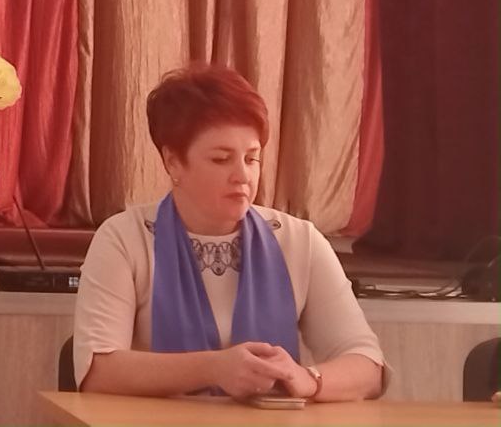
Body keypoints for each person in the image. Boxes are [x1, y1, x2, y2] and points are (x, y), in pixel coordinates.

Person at [72, 64, 387, 401]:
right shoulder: (124, 238)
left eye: (252, 159)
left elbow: (368, 366)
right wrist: (213, 368)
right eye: (221, 159)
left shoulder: (299, 241)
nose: (242, 176)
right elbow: (98, 370)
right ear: (173, 162)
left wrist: (307, 378)